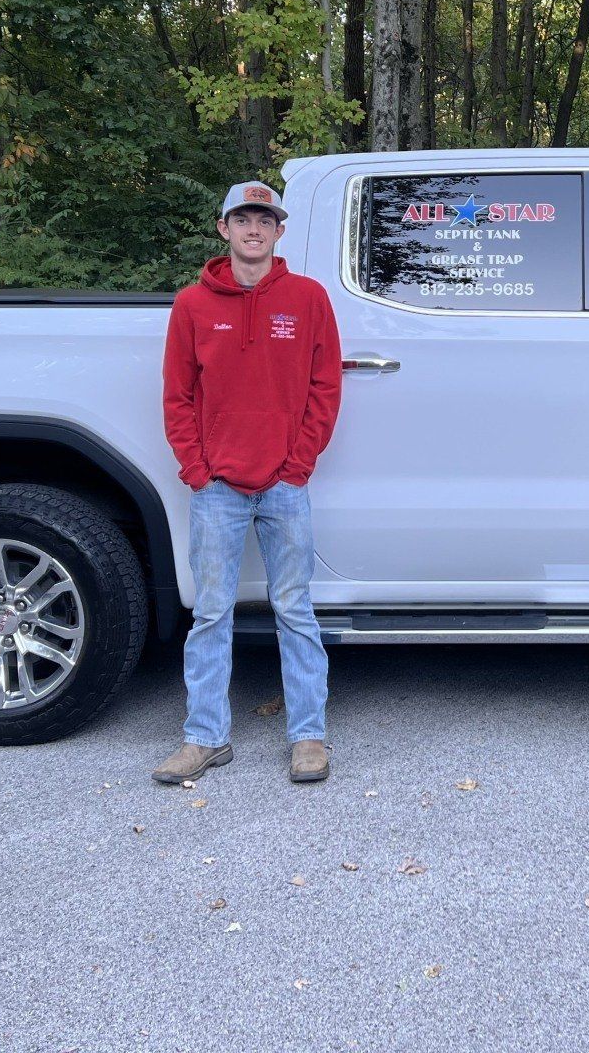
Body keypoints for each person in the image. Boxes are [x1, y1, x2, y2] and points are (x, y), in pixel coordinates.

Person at [154, 180, 342, 785]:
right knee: (211, 613)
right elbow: (178, 395)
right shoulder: (192, 305)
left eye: (264, 220)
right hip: (217, 489)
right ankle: (205, 738)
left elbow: (325, 387)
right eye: (243, 219)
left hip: (285, 484)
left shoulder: (308, 298)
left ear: (279, 231)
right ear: (224, 228)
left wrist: (298, 464)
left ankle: (308, 736)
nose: (254, 230)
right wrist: (197, 470)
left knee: (295, 609)